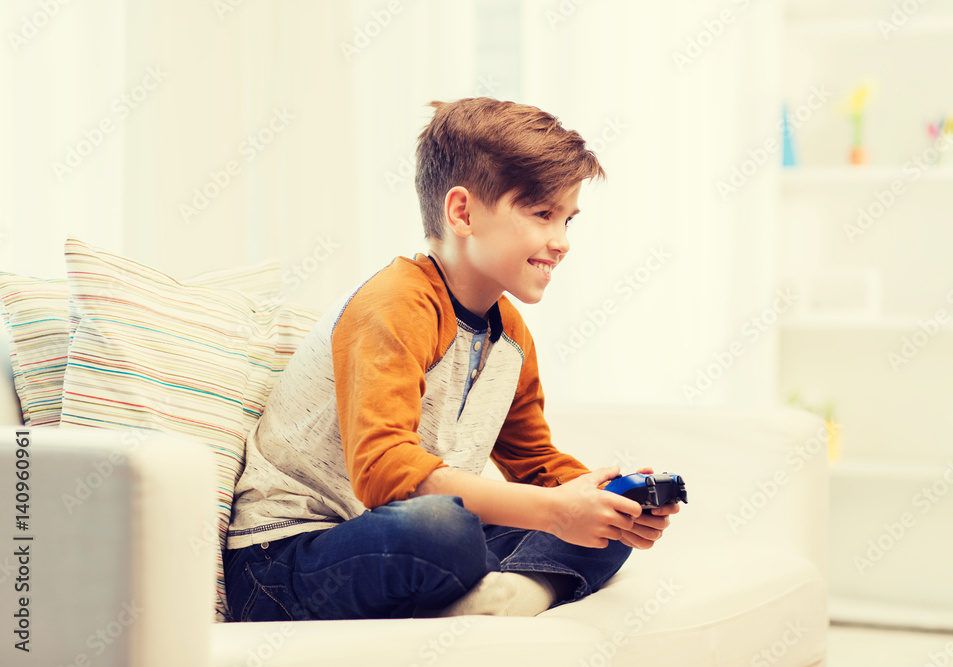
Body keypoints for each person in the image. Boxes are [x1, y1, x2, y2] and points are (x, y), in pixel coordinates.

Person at [223, 97, 680, 622]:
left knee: (603, 530)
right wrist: (556, 512)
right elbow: (385, 475)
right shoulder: (393, 303)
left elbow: (535, 464)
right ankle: (493, 584)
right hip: (285, 559)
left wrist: (602, 498)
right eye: (541, 214)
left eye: (568, 219)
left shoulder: (510, 334)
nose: (561, 242)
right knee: (444, 529)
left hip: (400, 544)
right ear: (462, 212)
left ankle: (502, 598)